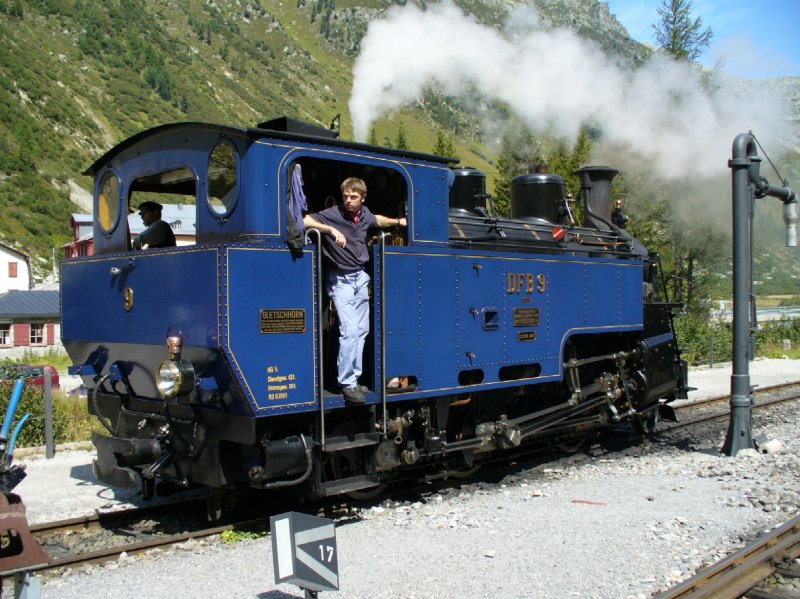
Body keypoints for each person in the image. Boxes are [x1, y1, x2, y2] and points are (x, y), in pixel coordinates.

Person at [303, 177, 407, 404]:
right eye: (346, 197)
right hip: (341, 280)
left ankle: (355, 379)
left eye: (353, 197)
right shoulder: (333, 213)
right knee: (349, 332)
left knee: (361, 331)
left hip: (360, 278)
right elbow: (305, 220)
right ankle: (346, 382)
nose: (348, 201)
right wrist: (329, 229)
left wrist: (399, 221)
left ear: (363, 198)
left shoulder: (365, 215)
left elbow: (378, 220)